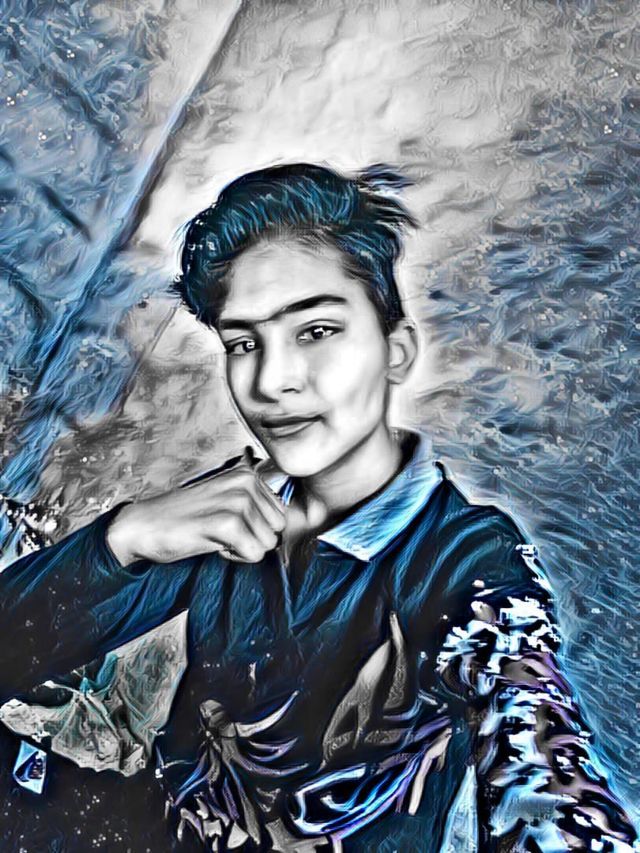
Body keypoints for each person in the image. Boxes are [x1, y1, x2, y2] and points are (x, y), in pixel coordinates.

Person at [0, 164, 636, 852]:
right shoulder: (239, 499)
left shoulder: (465, 557)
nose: (272, 381)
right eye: (244, 343)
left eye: (316, 330)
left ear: (396, 351)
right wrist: (128, 537)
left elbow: (536, 743)